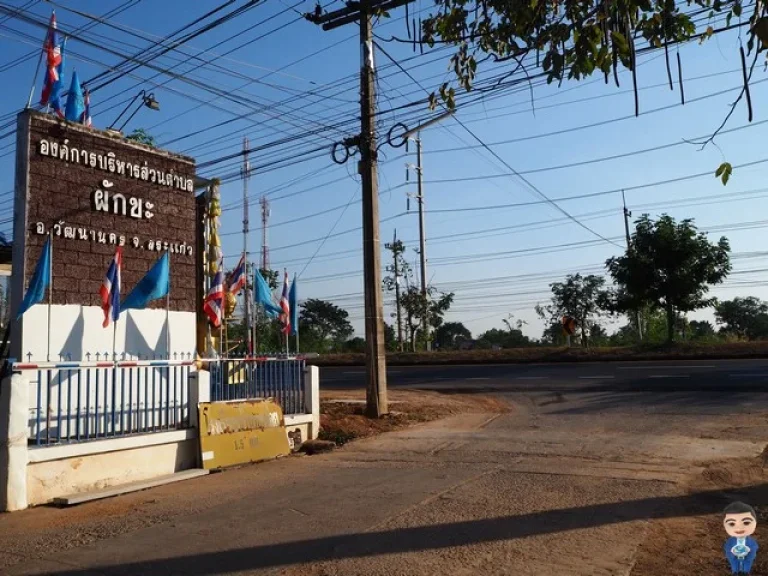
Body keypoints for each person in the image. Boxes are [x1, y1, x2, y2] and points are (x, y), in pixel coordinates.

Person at [724, 501, 759, 574]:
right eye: (731, 523)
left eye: (746, 522)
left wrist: (750, 550)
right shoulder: (731, 541)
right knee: (734, 562)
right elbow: (727, 547)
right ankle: (735, 571)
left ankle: (745, 572)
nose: (739, 528)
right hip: (734, 556)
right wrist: (731, 552)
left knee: (747, 562)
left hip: (748, 555)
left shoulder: (750, 541)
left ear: (755, 523)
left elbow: (754, 547)